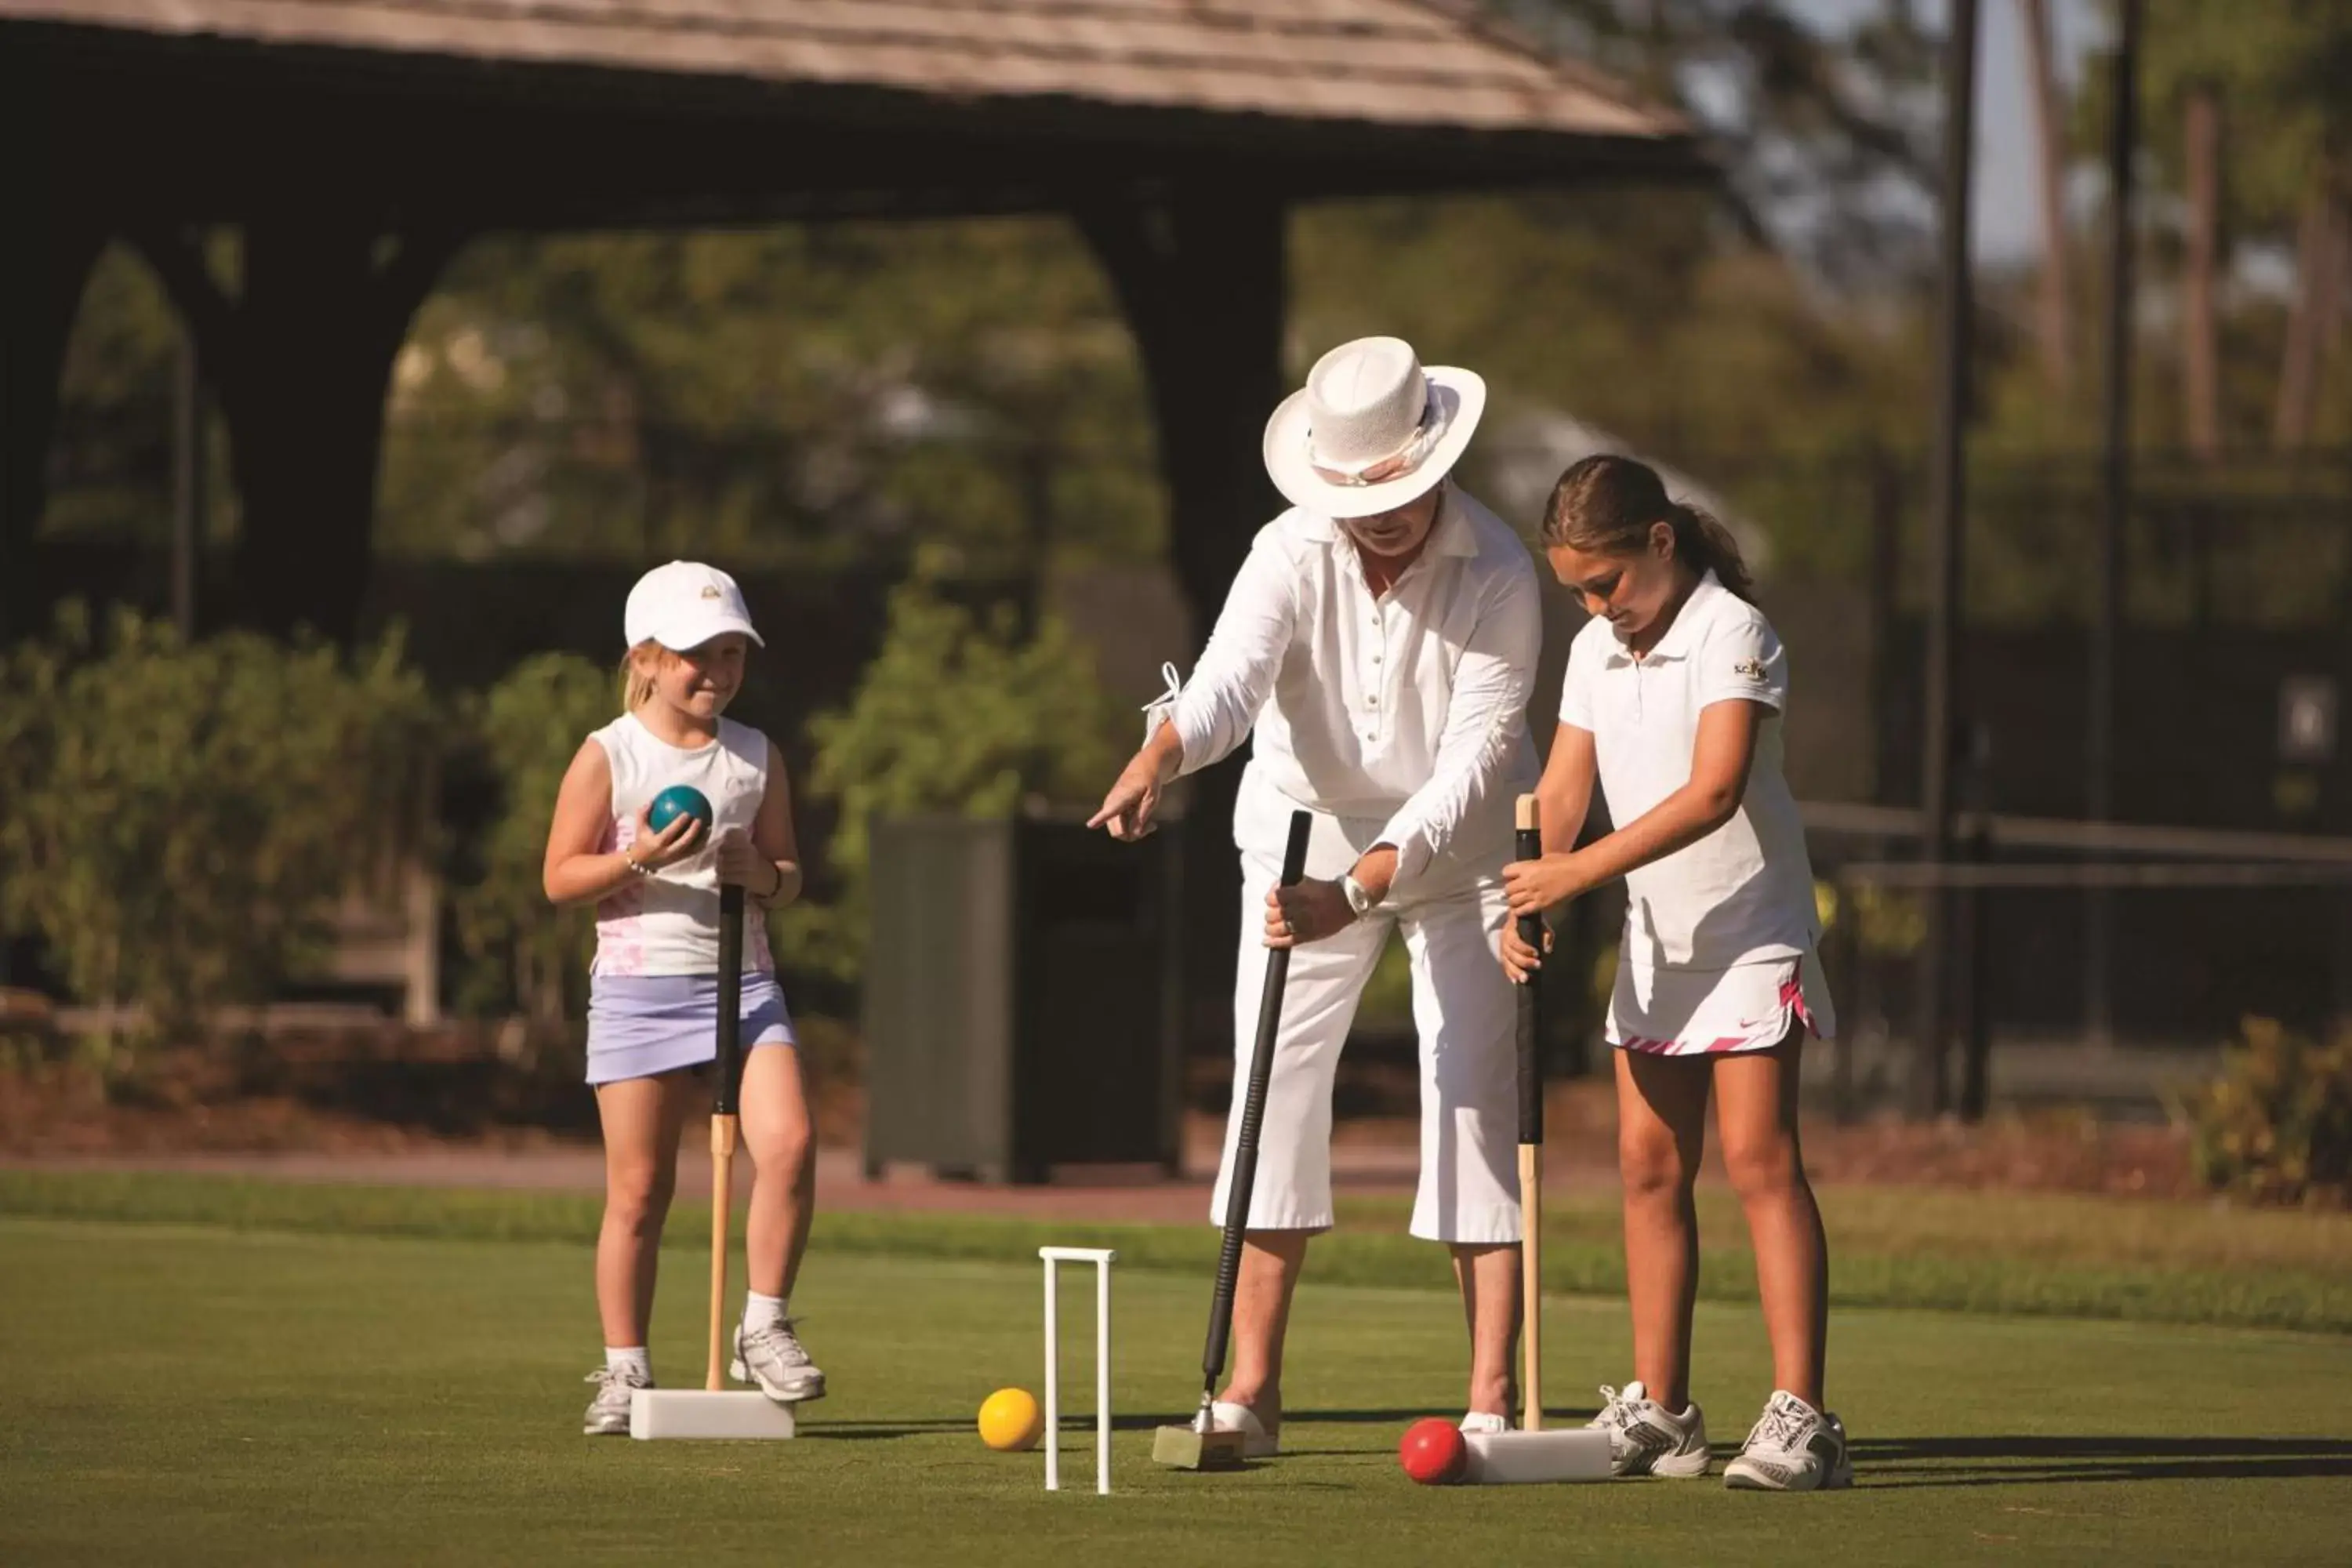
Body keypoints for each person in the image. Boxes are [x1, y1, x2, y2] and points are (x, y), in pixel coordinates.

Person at [1091, 336, 1540, 1451]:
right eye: (1355, 493)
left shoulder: (1501, 572)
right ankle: (1250, 1391)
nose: (1377, 514)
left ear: (1436, 463)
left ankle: (1490, 1400)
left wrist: (1367, 883)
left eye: (1396, 489)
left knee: (1472, 1100)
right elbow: (1225, 687)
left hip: (1465, 857)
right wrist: (1159, 755)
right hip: (1298, 840)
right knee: (1270, 1098)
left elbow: (1473, 762)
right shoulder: (1287, 551)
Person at [1501, 455, 1847, 1490]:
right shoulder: (1594, 654)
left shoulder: (1732, 631)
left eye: (1606, 584)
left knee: (1757, 1161)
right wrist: (1530, 891)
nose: (1597, 607)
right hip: (1656, 945)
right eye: (1577, 592)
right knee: (1650, 1171)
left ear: (1662, 543)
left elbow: (1714, 792)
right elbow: (1562, 790)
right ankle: (1664, 1414)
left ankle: (1805, 1423)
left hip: (1750, 934)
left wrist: (1575, 873)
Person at [543, 561, 824, 1436]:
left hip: (743, 982)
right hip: (638, 988)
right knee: (640, 1191)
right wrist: (641, 859)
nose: (718, 671)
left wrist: (764, 876)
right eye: (699, 654)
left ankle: (763, 1325)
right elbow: (559, 876)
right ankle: (625, 1370)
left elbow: (789, 876)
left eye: (732, 652)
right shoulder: (610, 753)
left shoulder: (755, 754)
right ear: (649, 657)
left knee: (792, 1143)